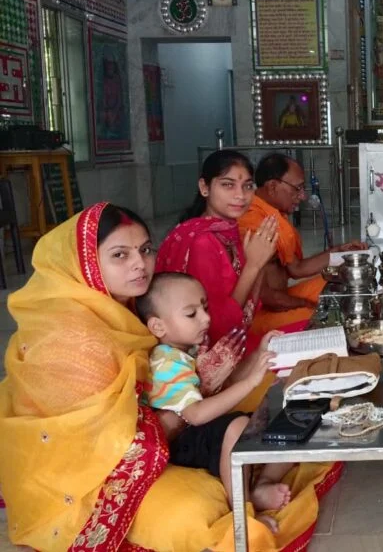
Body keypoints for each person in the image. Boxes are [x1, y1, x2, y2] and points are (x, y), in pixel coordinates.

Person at [0, 202, 341, 551]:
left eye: (146, 249)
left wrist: (220, 378)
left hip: (181, 419)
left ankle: (253, 481)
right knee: (189, 512)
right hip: (100, 472)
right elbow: (98, 445)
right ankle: (243, 500)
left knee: (285, 397)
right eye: (120, 255)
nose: (139, 263)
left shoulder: (136, 303)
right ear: (87, 262)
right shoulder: (70, 339)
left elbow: (183, 370)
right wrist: (190, 403)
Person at [138, 272, 291, 533]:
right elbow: (195, 415)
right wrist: (251, 382)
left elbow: (227, 383)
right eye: (191, 314)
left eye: (204, 308)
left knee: (284, 417)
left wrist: (259, 354)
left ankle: (261, 485)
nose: (206, 318)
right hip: (182, 444)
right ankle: (244, 516)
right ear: (158, 327)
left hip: (202, 432)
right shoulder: (166, 362)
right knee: (237, 426)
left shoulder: (186, 349)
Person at [156, 149, 280, 353]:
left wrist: (260, 262)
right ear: (204, 188)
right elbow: (217, 327)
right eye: (228, 185)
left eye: (247, 186)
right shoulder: (202, 242)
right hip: (209, 356)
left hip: (238, 339)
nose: (240, 195)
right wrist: (253, 266)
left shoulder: (229, 233)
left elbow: (248, 310)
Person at [238, 153, 367, 334]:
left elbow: (296, 269)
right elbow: (267, 298)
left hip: (281, 298)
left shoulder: (272, 216)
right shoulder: (252, 223)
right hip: (259, 313)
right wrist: (306, 304)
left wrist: (340, 251)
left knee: (342, 283)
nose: (303, 196)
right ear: (273, 187)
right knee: (324, 318)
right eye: (297, 188)